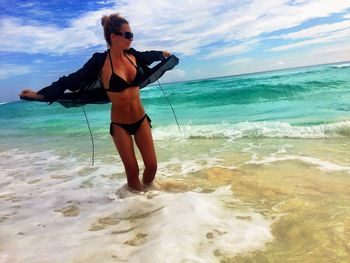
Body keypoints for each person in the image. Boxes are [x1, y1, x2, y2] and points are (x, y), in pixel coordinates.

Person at [19, 13, 172, 192]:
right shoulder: (100, 61)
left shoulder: (132, 55)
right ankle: (137, 208)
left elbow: (147, 56)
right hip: (120, 125)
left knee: (152, 167)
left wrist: (161, 54)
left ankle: (150, 195)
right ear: (114, 37)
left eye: (132, 35)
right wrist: (40, 94)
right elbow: (72, 80)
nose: (132, 39)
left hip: (141, 120)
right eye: (128, 35)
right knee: (132, 171)